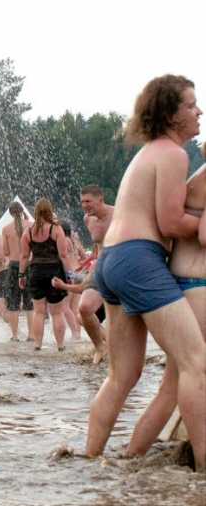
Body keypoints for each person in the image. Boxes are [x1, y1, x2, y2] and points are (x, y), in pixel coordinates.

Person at [85, 75, 205, 472]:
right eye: (191, 105)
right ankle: (203, 470)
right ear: (171, 115)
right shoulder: (173, 154)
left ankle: (93, 460)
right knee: (196, 363)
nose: (199, 111)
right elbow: (170, 222)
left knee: (123, 375)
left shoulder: (151, 152)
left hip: (112, 262)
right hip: (139, 259)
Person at [125, 143, 205, 460]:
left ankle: (129, 461)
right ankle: (200, 467)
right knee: (181, 380)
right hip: (197, 285)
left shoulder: (197, 177)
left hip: (186, 282)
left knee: (172, 387)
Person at [18, 199, 70, 351]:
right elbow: (64, 255)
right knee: (57, 312)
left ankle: (37, 345)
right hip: (55, 272)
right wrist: (70, 275)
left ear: (35, 212)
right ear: (49, 211)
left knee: (39, 312)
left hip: (36, 272)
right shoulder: (56, 229)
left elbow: (24, 256)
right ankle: (60, 345)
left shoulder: (28, 231)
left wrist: (21, 275)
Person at [77, 184, 113, 364]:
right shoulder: (88, 220)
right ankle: (101, 348)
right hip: (101, 268)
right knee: (84, 309)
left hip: (122, 268)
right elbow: (98, 244)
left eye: (88, 201)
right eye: (82, 202)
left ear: (100, 200)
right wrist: (90, 259)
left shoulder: (120, 214)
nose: (85, 205)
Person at [1, 202, 35, 342]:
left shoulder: (6, 229)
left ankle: (15, 336)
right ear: (22, 211)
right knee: (30, 302)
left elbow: (6, 252)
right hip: (29, 264)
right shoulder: (30, 225)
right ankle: (31, 335)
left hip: (14, 265)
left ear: (10, 213)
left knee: (13, 303)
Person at [60, 220, 88, 341]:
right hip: (79, 274)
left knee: (64, 307)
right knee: (74, 306)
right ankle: (78, 334)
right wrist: (80, 264)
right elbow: (85, 257)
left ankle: (75, 333)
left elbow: (62, 257)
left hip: (69, 274)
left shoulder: (62, 241)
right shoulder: (75, 242)